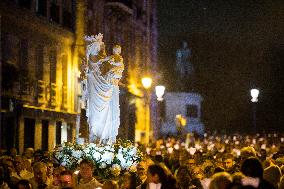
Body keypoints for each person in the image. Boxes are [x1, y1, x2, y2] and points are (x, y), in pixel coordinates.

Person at [84, 34, 124, 144]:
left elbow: (110, 62)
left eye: (102, 48)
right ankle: (98, 135)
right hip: (99, 83)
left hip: (108, 83)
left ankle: (105, 136)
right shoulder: (95, 62)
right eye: (99, 48)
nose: (102, 51)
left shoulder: (111, 59)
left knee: (108, 108)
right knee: (96, 112)